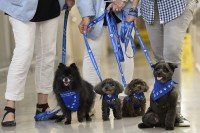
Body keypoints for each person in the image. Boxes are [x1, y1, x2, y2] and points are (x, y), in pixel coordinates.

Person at [0, 0, 75, 127]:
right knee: (23, 51)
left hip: (49, 5)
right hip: (21, 5)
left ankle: (42, 105)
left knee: (48, 54)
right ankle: (10, 107)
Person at [133, 0, 197, 127]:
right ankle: (161, 111)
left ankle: (176, 112)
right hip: (150, 7)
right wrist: (133, 8)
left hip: (178, 5)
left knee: (171, 56)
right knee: (160, 60)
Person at [77, 0, 137, 92]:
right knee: (91, 53)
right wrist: (85, 15)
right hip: (95, 9)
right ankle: (89, 96)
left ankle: (124, 93)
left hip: (124, 9)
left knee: (126, 51)